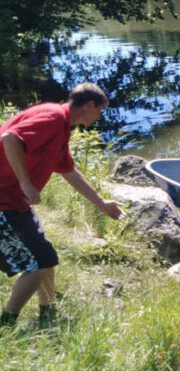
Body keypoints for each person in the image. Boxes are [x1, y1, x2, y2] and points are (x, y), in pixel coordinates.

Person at [0, 83, 124, 328]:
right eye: (100, 111)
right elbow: (9, 138)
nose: (100, 117)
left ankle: (48, 314)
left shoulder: (61, 128)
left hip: (16, 202)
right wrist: (26, 183)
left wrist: (101, 204)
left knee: (47, 258)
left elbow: (69, 172)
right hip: (4, 202)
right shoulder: (53, 117)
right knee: (35, 265)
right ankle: (6, 324)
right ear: (89, 105)